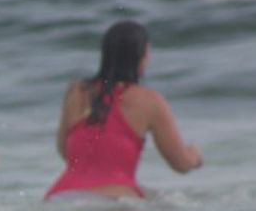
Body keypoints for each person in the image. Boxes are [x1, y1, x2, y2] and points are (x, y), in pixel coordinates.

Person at [45, 20, 202, 199]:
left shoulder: (77, 91)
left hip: (61, 197)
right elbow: (180, 164)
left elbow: (65, 151)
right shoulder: (150, 101)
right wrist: (195, 157)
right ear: (140, 57)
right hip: (114, 200)